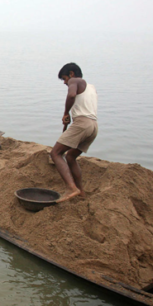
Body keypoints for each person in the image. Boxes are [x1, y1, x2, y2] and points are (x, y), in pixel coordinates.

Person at [50, 63, 98, 203]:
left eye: (64, 79)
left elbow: (71, 95)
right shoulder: (91, 87)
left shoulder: (75, 80)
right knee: (70, 157)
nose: (65, 83)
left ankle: (71, 188)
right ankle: (81, 191)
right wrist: (71, 116)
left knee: (55, 153)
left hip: (82, 124)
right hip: (93, 126)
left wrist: (66, 112)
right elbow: (83, 105)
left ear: (71, 74)